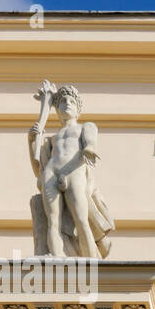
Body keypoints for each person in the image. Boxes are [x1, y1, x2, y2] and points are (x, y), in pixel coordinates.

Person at [29, 80, 114, 258]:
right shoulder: (51, 138)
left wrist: (89, 149)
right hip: (52, 172)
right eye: (62, 101)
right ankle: (56, 255)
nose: (66, 104)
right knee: (53, 220)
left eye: (71, 102)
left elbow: (91, 140)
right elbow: (38, 162)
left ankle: (91, 259)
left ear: (78, 109)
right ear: (57, 110)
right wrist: (31, 139)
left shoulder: (85, 126)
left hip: (73, 169)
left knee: (81, 219)